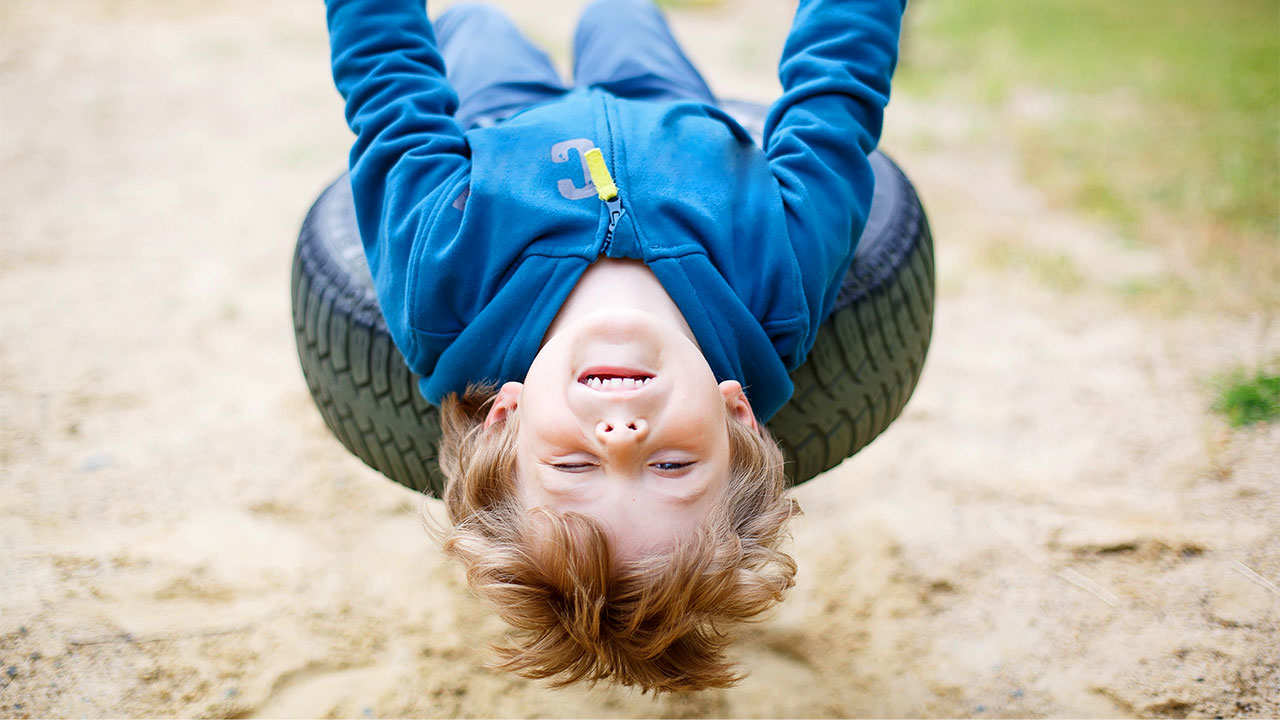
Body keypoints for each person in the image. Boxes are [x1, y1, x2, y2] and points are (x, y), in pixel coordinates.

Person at [325, 0, 904, 691]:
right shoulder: (780, 284)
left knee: (472, 26)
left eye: (572, 466)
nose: (622, 436)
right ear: (738, 417)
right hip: (662, 107)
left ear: (506, 419)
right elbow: (836, 93)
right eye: (670, 466)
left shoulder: (442, 284)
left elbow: (388, 87)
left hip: (498, 123)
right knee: (620, 13)